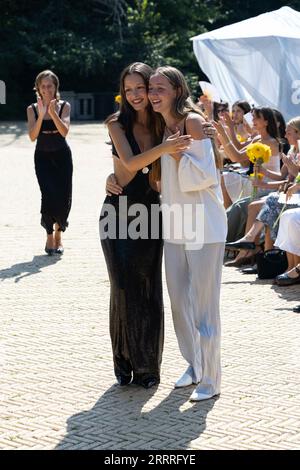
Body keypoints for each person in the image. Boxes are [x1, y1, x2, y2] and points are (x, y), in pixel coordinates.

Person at [100, 62, 193, 389]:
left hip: (151, 211)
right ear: (123, 94)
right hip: (117, 212)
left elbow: (190, 117)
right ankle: (123, 361)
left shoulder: (160, 123)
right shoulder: (116, 124)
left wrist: (208, 128)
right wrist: (165, 147)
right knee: (122, 287)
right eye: (129, 90)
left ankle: (148, 367)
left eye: (141, 88)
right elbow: (131, 162)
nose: (136, 95)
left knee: (149, 287)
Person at [27, 70, 72, 255]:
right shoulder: (32, 108)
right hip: (43, 158)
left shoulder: (64, 106)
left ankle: (59, 234)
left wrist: (52, 113)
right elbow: (32, 136)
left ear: (55, 87)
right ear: (38, 87)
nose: (46, 89)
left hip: (62, 157)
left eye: (50, 86)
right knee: (48, 196)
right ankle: (49, 235)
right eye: (43, 86)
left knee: (63, 196)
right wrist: (42, 113)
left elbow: (64, 131)